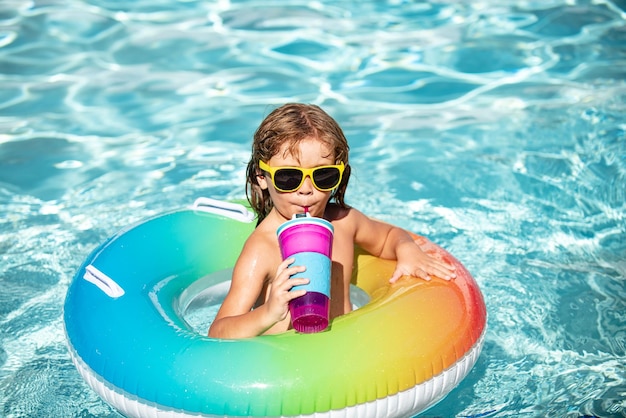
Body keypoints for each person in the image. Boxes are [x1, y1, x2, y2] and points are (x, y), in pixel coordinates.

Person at [208, 103, 456, 339]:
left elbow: (389, 236)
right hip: (288, 363)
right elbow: (218, 332)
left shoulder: (344, 222)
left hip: (343, 350)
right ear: (261, 177)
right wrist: (267, 313)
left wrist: (407, 249)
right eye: (288, 178)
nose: (306, 190)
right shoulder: (262, 249)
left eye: (323, 176)